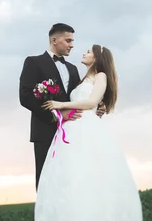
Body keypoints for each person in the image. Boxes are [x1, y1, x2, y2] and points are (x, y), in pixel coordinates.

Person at [35, 44, 143, 220]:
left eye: (88, 51)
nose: (84, 53)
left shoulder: (101, 76)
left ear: (97, 58)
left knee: (89, 173)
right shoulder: (82, 79)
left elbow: (91, 102)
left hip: (87, 129)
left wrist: (60, 104)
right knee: (69, 176)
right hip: (70, 131)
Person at [19, 23, 105, 189]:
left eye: (72, 41)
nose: (72, 45)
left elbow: (78, 96)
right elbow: (25, 97)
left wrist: (97, 106)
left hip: (73, 133)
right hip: (45, 131)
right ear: (54, 40)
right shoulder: (33, 62)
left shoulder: (72, 69)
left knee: (70, 181)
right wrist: (56, 116)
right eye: (68, 40)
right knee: (47, 182)